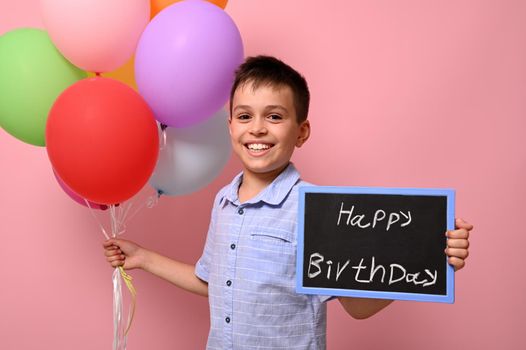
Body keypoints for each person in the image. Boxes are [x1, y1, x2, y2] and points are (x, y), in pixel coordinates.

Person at [103, 55, 473, 349]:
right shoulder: (224, 202)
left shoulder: (315, 210)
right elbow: (216, 282)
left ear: (301, 131)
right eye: (245, 116)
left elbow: (357, 307)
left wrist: (429, 258)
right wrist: (143, 257)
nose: (258, 128)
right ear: (230, 125)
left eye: (275, 117)